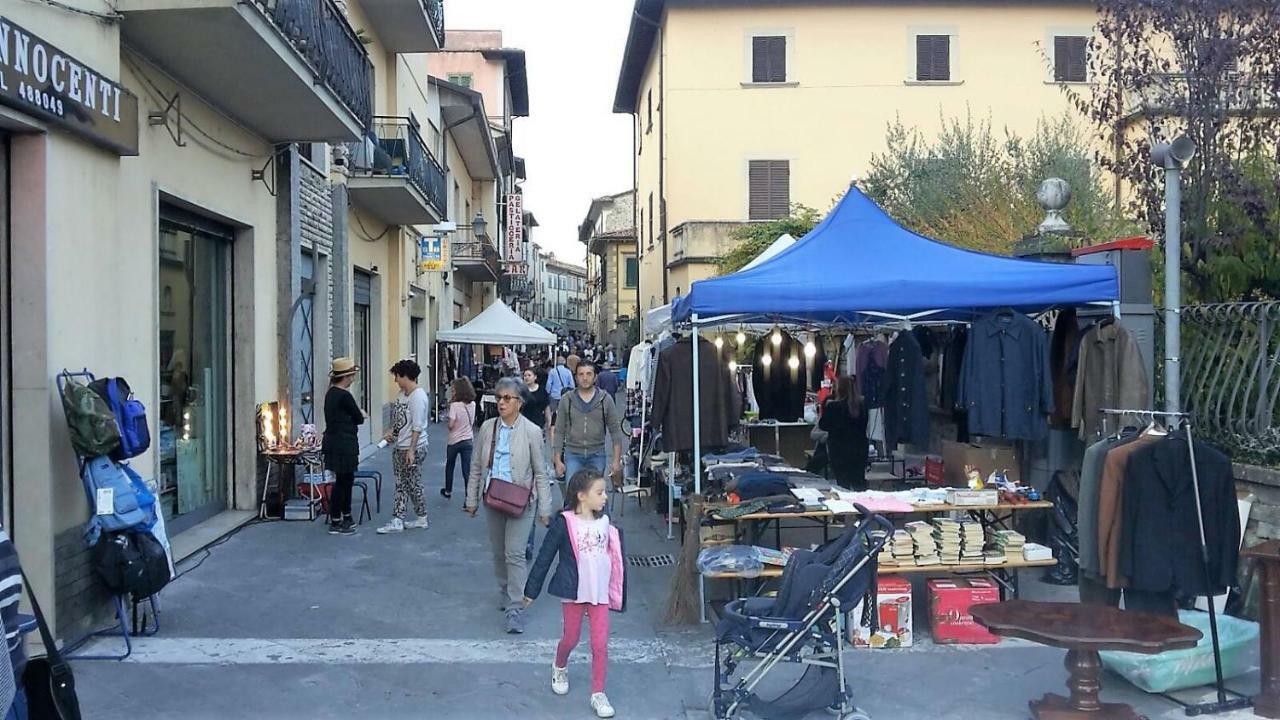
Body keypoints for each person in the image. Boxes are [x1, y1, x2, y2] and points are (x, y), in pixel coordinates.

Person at [524, 469, 625, 719]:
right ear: (581, 496)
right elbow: (545, 556)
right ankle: (560, 665)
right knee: (570, 638)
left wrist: (616, 587)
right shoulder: (564, 522)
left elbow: (615, 556)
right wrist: (531, 591)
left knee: (600, 644)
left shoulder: (605, 522)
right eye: (599, 493)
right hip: (574, 592)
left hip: (599, 593)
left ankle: (598, 693)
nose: (605, 498)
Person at [465, 377, 553, 634]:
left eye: (507, 398)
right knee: (498, 553)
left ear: (520, 403)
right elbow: (476, 467)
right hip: (493, 498)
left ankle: (515, 608)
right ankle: (506, 588)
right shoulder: (487, 428)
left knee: (515, 553)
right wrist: (471, 499)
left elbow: (540, 472)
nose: (501, 402)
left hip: (520, 501)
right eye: (498, 397)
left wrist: (545, 509)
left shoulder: (532, 431)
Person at [378, 359, 431, 534]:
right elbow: (400, 421)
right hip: (401, 445)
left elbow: (417, 425)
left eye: (397, 376)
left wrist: (411, 450)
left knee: (410, 483)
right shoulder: (402, 394)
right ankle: (410, 517)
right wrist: (392, 433)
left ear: (405, 376)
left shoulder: (418, 397)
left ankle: (407, 518)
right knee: (404, 483)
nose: (395, 381)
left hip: (412, 446)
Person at [553, 360, 625, 486]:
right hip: (573, 454)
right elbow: (559, 431)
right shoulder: (567, 400)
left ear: (595, 377)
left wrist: (616, 460)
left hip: (597, 453)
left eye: (588, 374)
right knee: (573, 495)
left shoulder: (605, 400)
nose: (585, 378)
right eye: (581, 374)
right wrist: (557, 460)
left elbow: (615, 431)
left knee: (595, 495)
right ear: (575, 377)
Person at [321, 357, 364, 535]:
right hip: (344, 444)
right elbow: (359, 418)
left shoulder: (330, 394)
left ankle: (342, 517)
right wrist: (359, 414)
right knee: (344, 482)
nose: (353, 378)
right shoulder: (345, 396)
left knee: (342, 480)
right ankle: (339, 519)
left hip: (332, 442)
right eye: (352, 375)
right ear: (347, 377)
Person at [818, 375, 870, 491]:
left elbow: (823, 425)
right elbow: (864, 425)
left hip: (839, 450)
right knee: (859, 483)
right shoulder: (861, 406)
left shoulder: (832, 406)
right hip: (859, 449)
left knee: (843, 484)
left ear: (839, 389)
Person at [442, 377, 477, 500]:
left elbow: (451, 425)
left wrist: (449, 423)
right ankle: (469, 496)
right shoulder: (473, 404)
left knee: (450, 465)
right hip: (468, 440)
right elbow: (472, 422)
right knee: (466, 469)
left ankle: (448, 490)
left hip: (454, 441)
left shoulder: (455, 405)